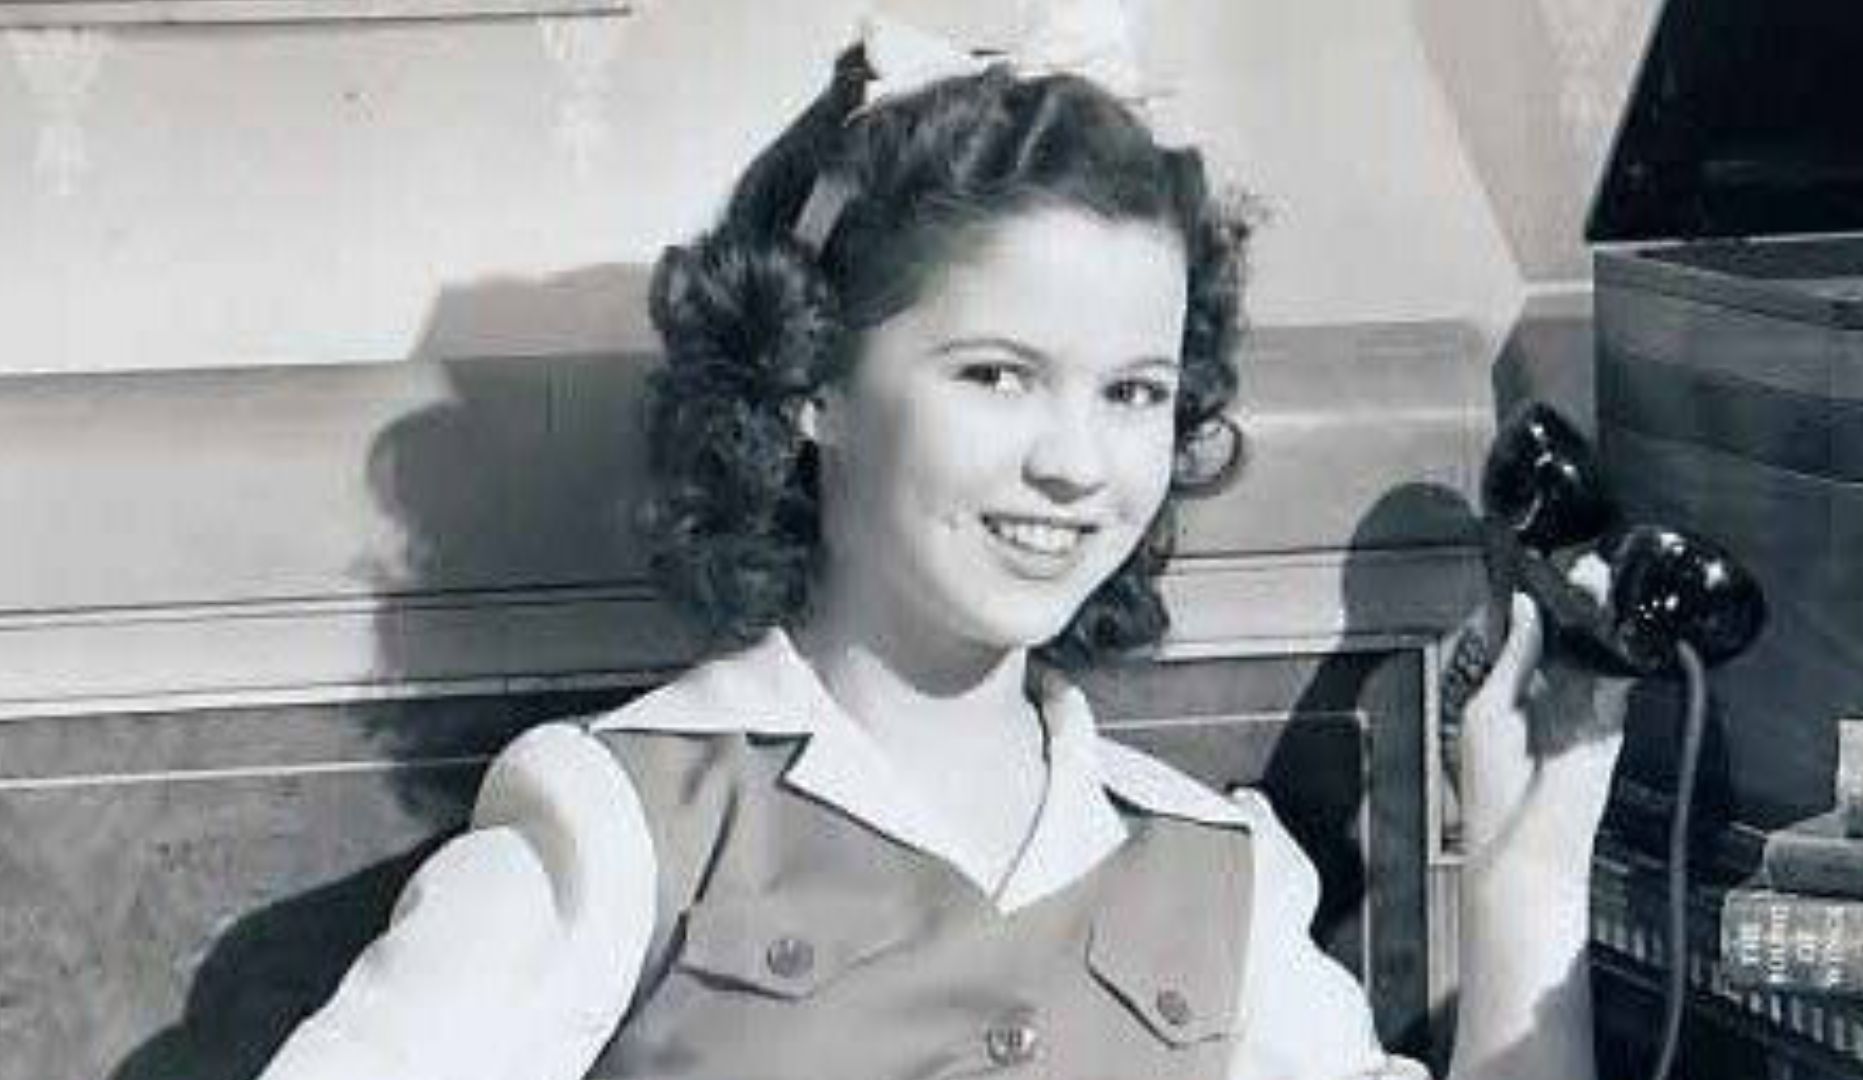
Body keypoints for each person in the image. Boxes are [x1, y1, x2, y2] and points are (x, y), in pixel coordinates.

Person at [261, 25, 1627, 1080]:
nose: (1076, 463)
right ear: (815, 385)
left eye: (1134, 392)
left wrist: (1529, 874)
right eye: (996, 375)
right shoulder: (622, 822)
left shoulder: (1218, 868)